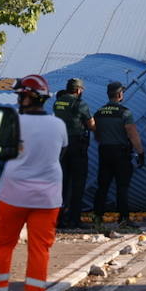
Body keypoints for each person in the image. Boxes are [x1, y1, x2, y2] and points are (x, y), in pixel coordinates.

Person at [0, 75, 68, 291]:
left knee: (4, 246)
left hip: (12, 194)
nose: (18, 100)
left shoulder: (13, 121)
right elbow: (61, 150)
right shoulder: (58, 125)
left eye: (20, 96)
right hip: (47, 198)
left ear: (28, 97)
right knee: (39, 251)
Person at [91, 82, 146, 231]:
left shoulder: (99, 112)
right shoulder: (125, 112)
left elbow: (95, 131)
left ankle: (97, 218)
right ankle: (123, 219)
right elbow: (132, 133)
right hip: (121, 153)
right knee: (122, 187)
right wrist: (140, 152)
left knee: (102, 186)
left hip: (104, 151)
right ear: (120, 95)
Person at [52, 77, 95, 230]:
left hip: (61, 146)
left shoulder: (58, 102)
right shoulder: (80, 103)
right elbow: (91, 125)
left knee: (62, 183)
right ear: (77, 90)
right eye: (81, 90)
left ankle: (59, 219)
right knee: (78, 183)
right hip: (77, 145)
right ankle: (74, 219)